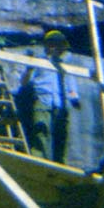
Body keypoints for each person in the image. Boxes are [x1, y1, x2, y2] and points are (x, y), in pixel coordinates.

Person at [19, 29, 80, 162]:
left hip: (61, 104)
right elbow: (24, 82)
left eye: (60, 45)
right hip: (43, 101)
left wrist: (74, 98)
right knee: (41, 132)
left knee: (62, 135)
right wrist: (29, 69)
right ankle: (39, 161)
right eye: (55, 44)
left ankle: (60, 165)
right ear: (48, 45)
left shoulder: (64, 65)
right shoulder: (38, 61)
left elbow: (71, 84)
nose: (58, 48)